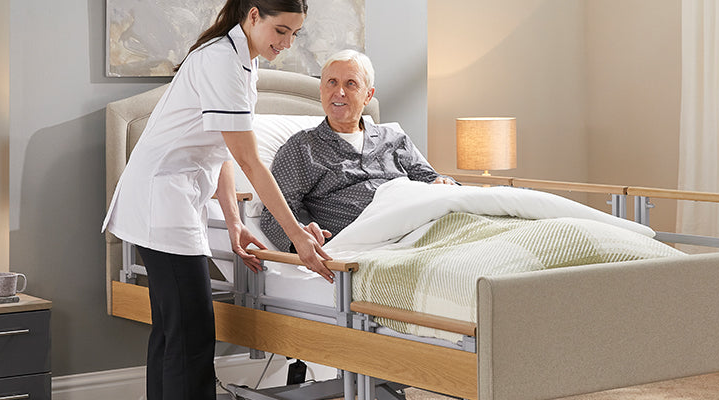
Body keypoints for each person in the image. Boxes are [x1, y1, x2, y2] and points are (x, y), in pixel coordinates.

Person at [100, 1, 333, 399]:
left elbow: (221, 148)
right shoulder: (222, 61)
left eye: (295, 34)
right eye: (281, 31)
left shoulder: (244, 59)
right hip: (162, 201)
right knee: (190, 338)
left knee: (173, 335)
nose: (288, 43)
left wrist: (234, 221)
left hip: (171, 197)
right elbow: (249, 160)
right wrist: (296, 235)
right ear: (254, 15)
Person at [259, 50, 455, 254]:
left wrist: (443, 182)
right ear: (321, 90)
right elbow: (274, 213)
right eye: (332, 82)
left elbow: (433, 180)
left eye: (350, 84)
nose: (339, 92)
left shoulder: (395, 140)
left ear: (368, 95)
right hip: (375, 244)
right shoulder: (302, 148)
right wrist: (301, 237)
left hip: (424, 225)